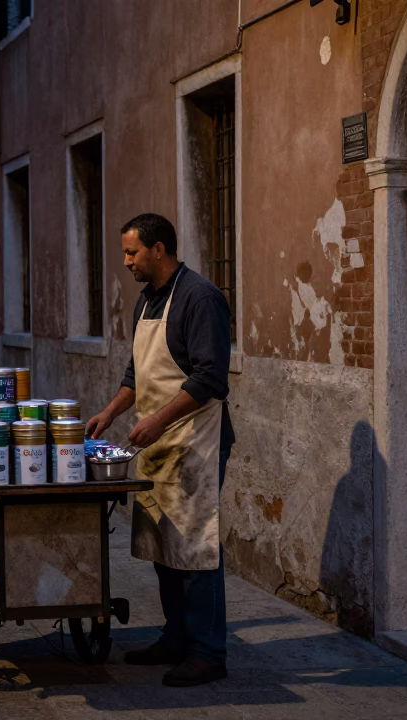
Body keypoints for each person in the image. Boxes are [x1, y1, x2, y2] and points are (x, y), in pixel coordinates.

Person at [86, 213, 235, 687]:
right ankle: (176, 637)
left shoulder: (201, 297)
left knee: (195, 547)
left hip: (194, 441)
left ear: (158, 249)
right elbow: (136, 375)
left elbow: (210, 379)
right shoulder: (147, 301)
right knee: (162, 545)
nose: (126, 261)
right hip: (157, 442)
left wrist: (156, 421)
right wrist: (110, 413)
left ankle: (209, 652)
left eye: (131, 252)